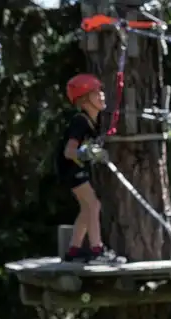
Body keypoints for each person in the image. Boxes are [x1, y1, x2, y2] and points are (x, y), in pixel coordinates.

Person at [57, 74, 120, 264]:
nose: (102, 95)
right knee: (93, 205)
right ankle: (97, 251)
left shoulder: (94, 121)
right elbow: (69, 152)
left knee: (87, 208)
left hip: (75, 168)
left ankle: (73, 251)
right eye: (96, 93)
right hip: (70, 168)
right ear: (84, 99)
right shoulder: (81, 121)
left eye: (101, 91)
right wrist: (87, 154)